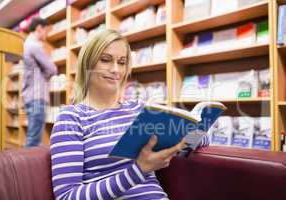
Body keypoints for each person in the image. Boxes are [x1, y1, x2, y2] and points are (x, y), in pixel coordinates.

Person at [50, 29, 209, 199]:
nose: (115, 70)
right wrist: (138, 171)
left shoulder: (138, 109)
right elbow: (66, 196)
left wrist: (190, 136)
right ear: (87, 64)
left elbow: (198, 140)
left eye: (122, 62)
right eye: (105, 60)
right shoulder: (71, 118)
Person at [22, 17, 57, 147]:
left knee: (33, 137)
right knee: (34, 141)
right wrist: (48, 72)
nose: (46, 34)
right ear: (39, 28)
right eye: (45, 30)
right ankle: (26, 167)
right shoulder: (34, 45)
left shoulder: (27, 44)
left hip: (31, 97)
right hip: (37, 97)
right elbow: (52, 69)